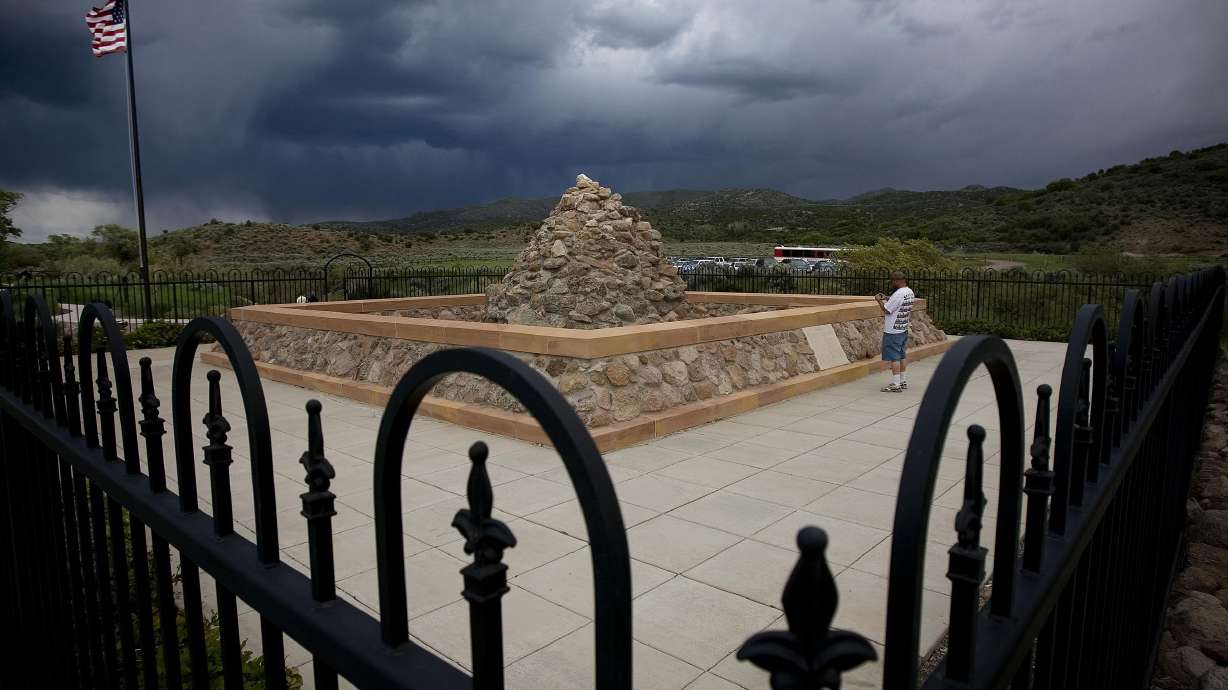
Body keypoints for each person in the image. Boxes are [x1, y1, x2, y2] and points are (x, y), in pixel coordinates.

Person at [874, 271, 914, 392]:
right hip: (903, 328)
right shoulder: (909, 292)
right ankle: (903, 381)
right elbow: (898, 302)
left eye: (893, 281)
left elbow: (887, 309)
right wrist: (886, 297)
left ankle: (896, 384)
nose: (892, 283)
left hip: (893, 331)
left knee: (894, 357)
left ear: (897, 281)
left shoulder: (898, 294)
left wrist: (879, 300)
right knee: (902, 355)